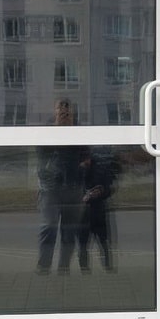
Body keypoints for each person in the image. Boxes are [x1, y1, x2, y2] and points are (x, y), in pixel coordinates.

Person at [36, 100, 87, 274]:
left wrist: (81, 168)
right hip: (50, 188)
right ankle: (44, 266)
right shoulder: (47, 131)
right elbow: (41, 156)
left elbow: (87, 157)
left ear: (73, 113)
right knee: (48, 227)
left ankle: (64, 267)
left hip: (73, 187)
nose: (64, 114)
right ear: (55, 111)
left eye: (68, 112)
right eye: (61, 110)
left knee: (69, 230)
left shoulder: (79, 131)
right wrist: (58, 129)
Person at [78, 150, 116, 272]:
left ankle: (107, 266)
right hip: (85, 212)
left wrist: (100, 192)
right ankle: (84, 267)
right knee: (84, 243)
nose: (85, 162)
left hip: (97, 210)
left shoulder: (99, 170)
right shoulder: (79, 171)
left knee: (102, 241)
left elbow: (109, 189)